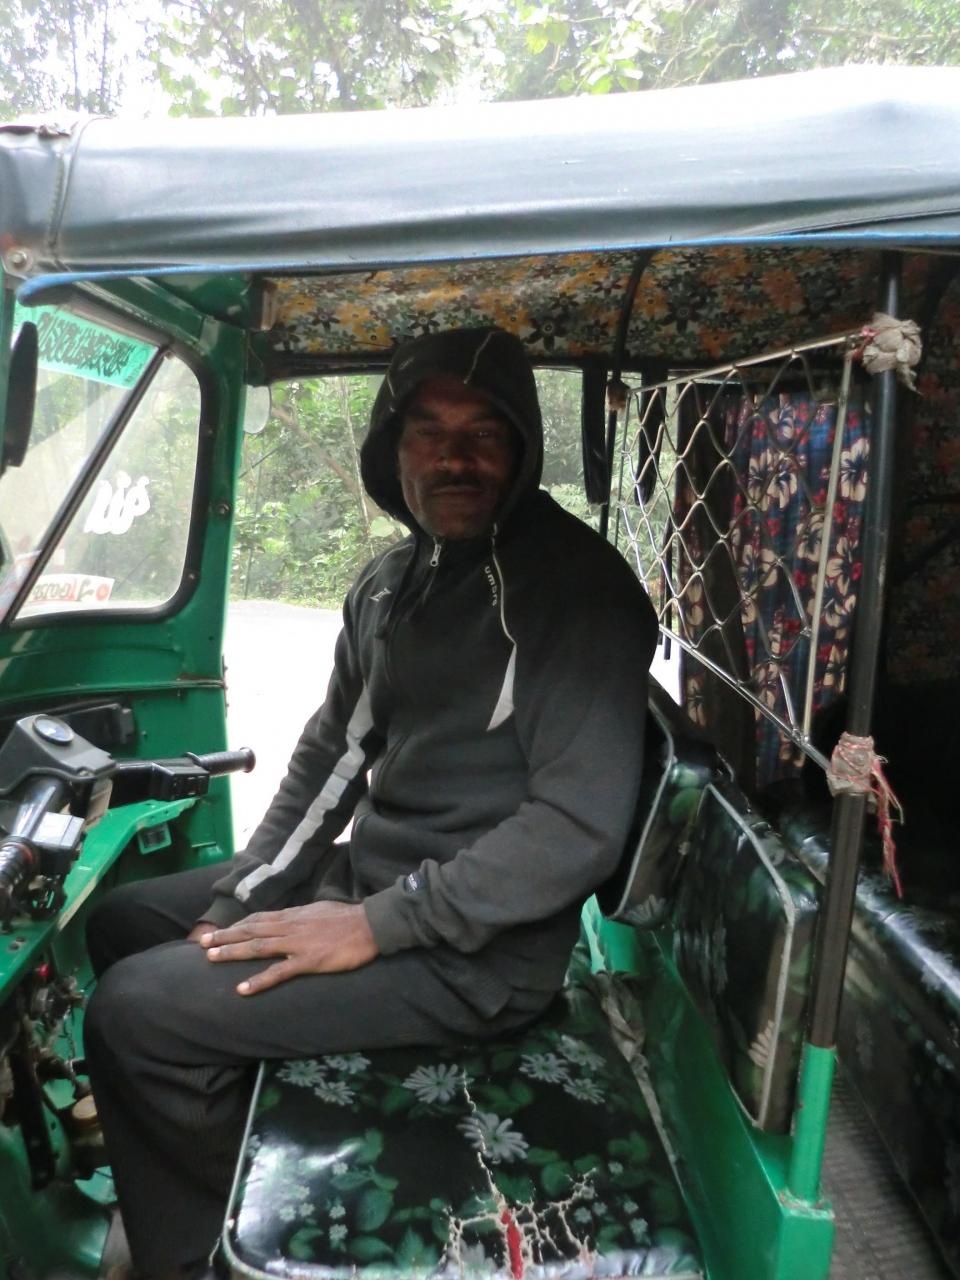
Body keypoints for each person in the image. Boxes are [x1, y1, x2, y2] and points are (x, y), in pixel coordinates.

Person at [84, 327, 658, 1280]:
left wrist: (373, 926)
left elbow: (576, 828)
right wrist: (243, 899)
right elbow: (332, 755)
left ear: (522, 447)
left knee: (132, 1014)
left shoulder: (579, 593)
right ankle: (216, 1150)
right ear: (393, 449)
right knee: (125, 923)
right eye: (429, 431)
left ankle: (198, 1258)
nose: (455, 458)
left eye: (485, 433)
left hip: (478, 956)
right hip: (377, 885)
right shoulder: (395, 582)